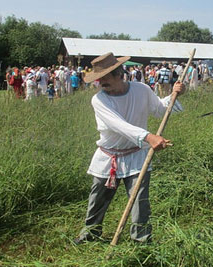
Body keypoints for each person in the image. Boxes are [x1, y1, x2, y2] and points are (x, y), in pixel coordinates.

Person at [73, 52, 185, 245]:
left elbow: (159, 110)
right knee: (97, 200)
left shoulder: (141, 90)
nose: (101, 83)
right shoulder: (99, 100)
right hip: (109, 157)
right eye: (99, 79)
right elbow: (120, 126)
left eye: (105, 78)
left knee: (140, 202)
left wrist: (174, 94)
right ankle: (90, 235)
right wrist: (149, 137)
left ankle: (141, 241)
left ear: (120, 74)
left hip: (136, 154)